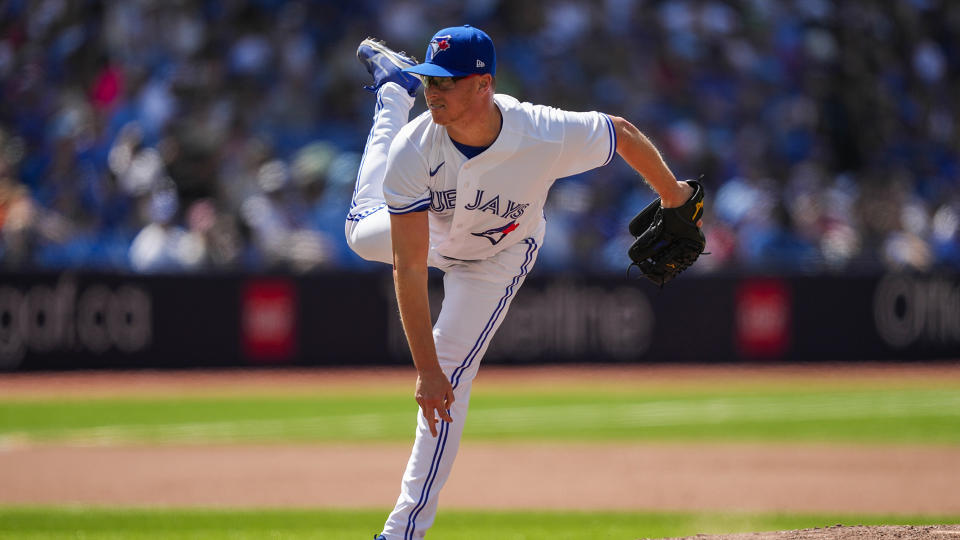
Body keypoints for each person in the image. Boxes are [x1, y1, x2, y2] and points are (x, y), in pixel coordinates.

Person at [347, 26, 698, 540]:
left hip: (498, 254)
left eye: (447, 81)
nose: (436, 92)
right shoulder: (415, 147)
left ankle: (401, 533)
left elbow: (619, 132)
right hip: (432, 237)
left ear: (483, 85)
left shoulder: (541, 132)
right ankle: (391, 93)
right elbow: (410, 267)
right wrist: (422, 368)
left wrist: (674, 196)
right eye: (428, 81)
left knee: (451, 376)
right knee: (359, 232)